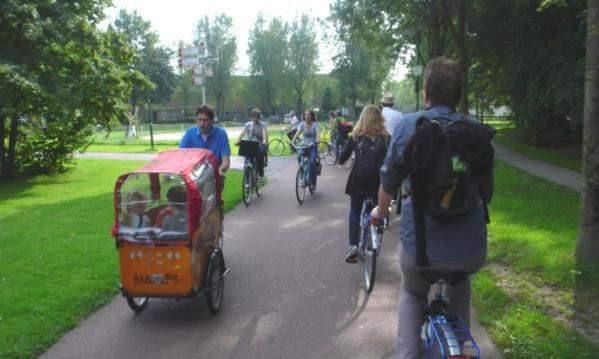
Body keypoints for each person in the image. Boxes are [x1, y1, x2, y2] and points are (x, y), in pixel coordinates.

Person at [371, 57, 490, 359]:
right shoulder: (475, 132)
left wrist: (380, 213)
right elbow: (487, 193)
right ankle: (459, 347)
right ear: (458, 96)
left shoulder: (411, 126)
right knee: (460, 282)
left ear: (426, 94)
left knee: (412, 292)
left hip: (421, 251)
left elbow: (388, 181)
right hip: (471, 251)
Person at [338, 105, 390, 263]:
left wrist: (343, 157)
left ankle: (353, 246)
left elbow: (342, 158)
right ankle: (375, 237)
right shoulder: (387, 137)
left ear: (363, 117)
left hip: (358, 181)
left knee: (355, 211)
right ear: (380, 118)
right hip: (378, 183)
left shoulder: (356, 135)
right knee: (376, 210)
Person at [180, 104, 231, 186]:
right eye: (199, 120)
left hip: (213, 176)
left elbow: (226, 160)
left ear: (212, 121)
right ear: (196, 120)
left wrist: (220, 170)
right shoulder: (190, 133)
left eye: (205, 120)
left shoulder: (221, 133)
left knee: (211, 197)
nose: (202, 123)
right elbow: (180, 155)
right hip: (193, 175)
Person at [292, 109, 320, 190]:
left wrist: (318, 140)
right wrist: (293, 140)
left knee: (312, 162)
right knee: (300, 157)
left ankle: (313, 182)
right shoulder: (302, 124)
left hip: (313, 146)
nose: (307, 116)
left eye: (309, 115)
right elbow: (297, 133)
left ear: (312, 116)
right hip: (304, 145)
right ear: (304, 116)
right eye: (306, 115)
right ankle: (301, 176)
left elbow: (318, 133)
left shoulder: (315, 124)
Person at [237, 108, 268, 177]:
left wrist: (264, 141)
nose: (255, 118)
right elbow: (242, 133)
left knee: (259, 157)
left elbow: (264, 134)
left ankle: (260, 173)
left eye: (257, 117)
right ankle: (247, 176)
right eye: (253, 116)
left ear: (259, 117)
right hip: (249, 145)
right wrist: (238, 140)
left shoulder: (262, 125)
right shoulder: (248, 124)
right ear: (251, 116)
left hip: (258, 145)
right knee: (247, 159)